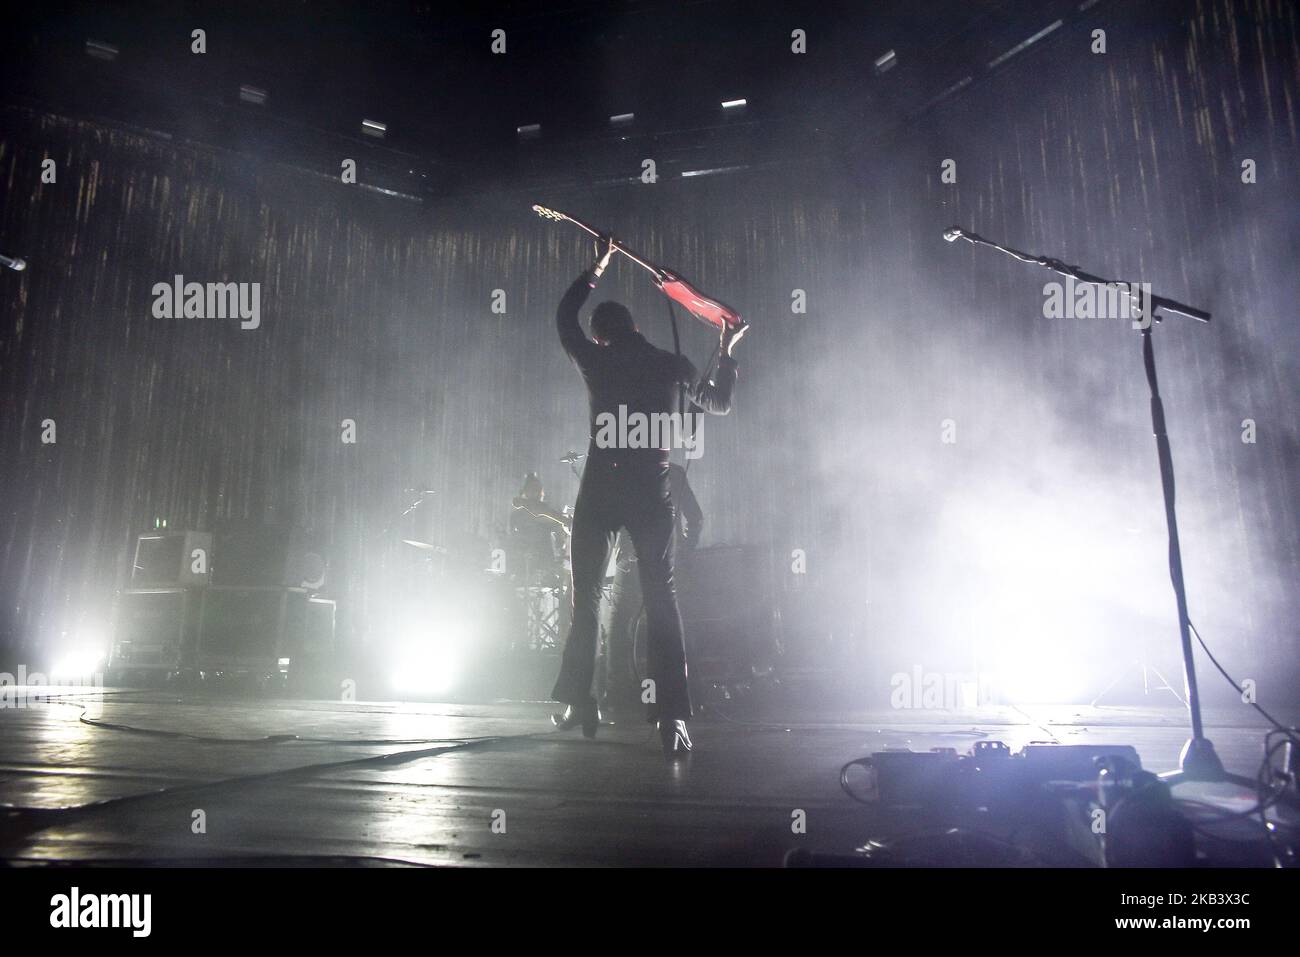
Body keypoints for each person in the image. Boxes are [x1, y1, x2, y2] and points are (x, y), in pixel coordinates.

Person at [550, 238, 747, 756]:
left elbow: (564, 318)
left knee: (585, 599)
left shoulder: (597, 361)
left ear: (602, 335)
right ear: (635, 328)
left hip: (601, 493)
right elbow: (720, 402)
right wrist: (724, 349)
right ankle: (674, 719)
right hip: (651, 493)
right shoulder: (671, 365)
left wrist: (596, 266)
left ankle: (578, 701)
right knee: (662, 601)